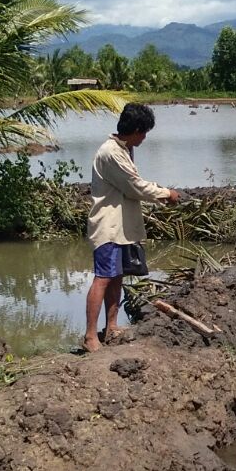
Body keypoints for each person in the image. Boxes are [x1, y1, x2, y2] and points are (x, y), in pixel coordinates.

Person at [84, 103, 180, 351]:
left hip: (121, 227)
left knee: (116, 277)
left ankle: (112, 327)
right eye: (144, 132)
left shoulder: (122, 149)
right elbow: (135, 186)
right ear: (136, 129)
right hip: (107, 226)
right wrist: (165, 193)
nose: (145, 138)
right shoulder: (112, 153)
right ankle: (90, 337)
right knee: (103, 278)